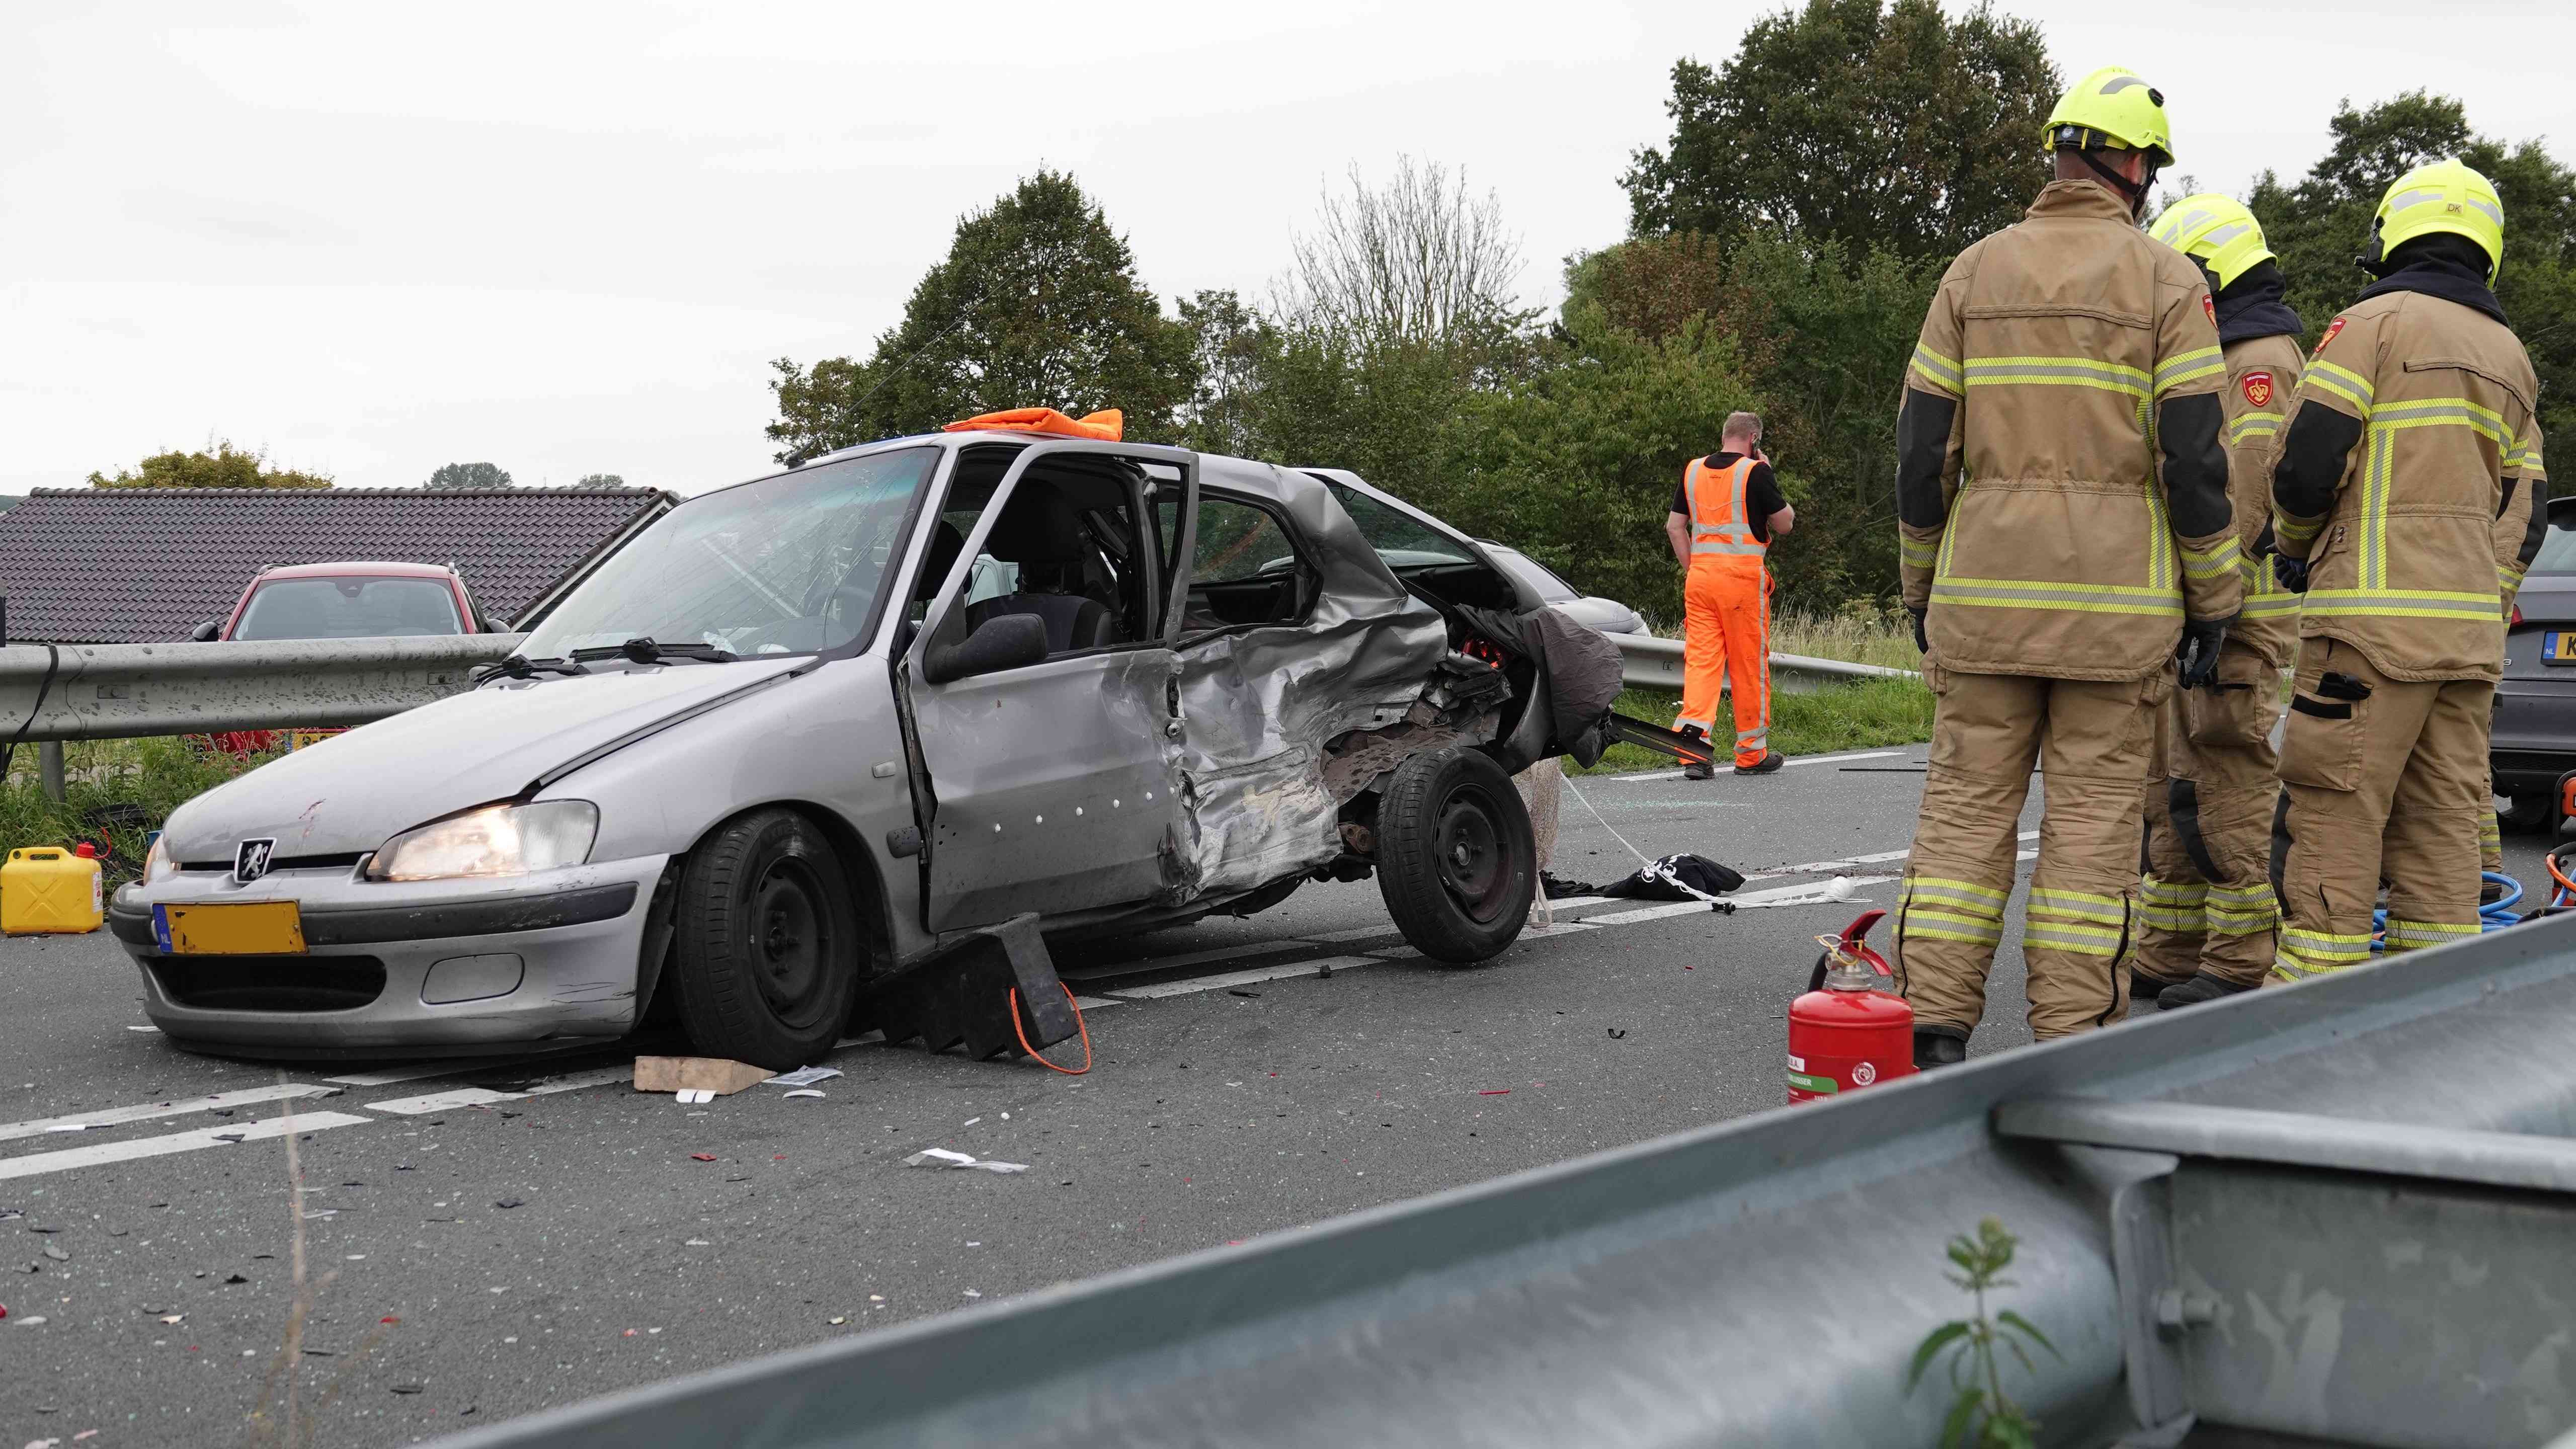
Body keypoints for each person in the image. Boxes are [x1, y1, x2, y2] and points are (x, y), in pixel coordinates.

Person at [1891, 66, 2239, 1066]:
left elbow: (1921, 453)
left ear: (2061, 153)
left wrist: (1922, 585)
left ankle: (1933, 1029)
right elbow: (2197, 466)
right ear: (2130, 165)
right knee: (2090, 841)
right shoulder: (2169, 284)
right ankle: (2072, 1044)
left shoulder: (1971, 272)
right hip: (2114, 621)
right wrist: (2212, 598)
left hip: (1983, 611)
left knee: (1961, 824)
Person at [2268, 159, 2546, 982]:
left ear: (2395, 236)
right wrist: (2485, 609)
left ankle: (2309, 1028)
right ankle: (2425, 1036)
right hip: (2464, 647)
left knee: (2333, 821)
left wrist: (2293, 546)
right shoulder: (2510, 356)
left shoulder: (2371, 325)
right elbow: (2521, 511)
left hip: (2367, 636)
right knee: (2442, 835)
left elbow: (2306, 463)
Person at [2132, 196, 2306, 1010]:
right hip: (2201, 606)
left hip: (2235, 609)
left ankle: (2241, 957)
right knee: (2175, 783)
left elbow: (2245, 489)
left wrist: (2211, 591)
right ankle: (2171, 946)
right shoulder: (2223, 352)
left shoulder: (2257, 360)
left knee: (2230, 778)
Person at [1667, 411, 1795, 779]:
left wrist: (1694, 569)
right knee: (1747, 667)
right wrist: (1768, 473)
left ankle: (1693, 752)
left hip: (1701, 581)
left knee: (1702, 665)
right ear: (1754, 439)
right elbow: (1785, 524)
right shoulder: (1756, 472)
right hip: (1740, 584)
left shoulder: (1693, 471)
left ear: (1726, 436)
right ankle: (1752, 754)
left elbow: (1675, 527)